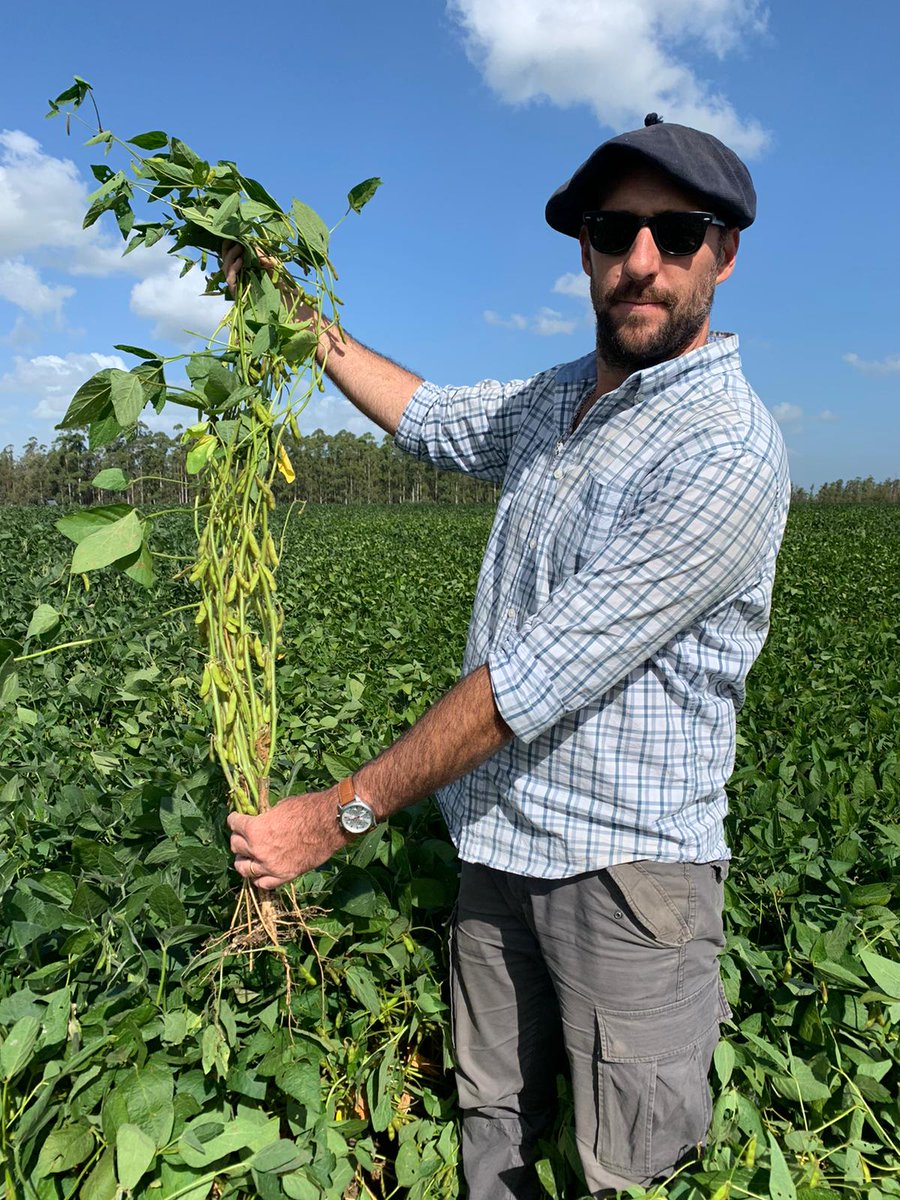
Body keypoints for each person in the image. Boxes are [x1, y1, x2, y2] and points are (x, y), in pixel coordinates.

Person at [225, 114, 790, 1198]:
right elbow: (429, 416)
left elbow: (528, 683)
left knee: (628, 1168)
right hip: (497, 850)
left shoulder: (725, 450)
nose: (640, 261)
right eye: (613, 230)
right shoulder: (558, 399)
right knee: (493, 1127)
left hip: (625, 881)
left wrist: (337, 816)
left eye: (676, 233)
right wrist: (294, 318)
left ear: (722, 253)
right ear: (583, 247)